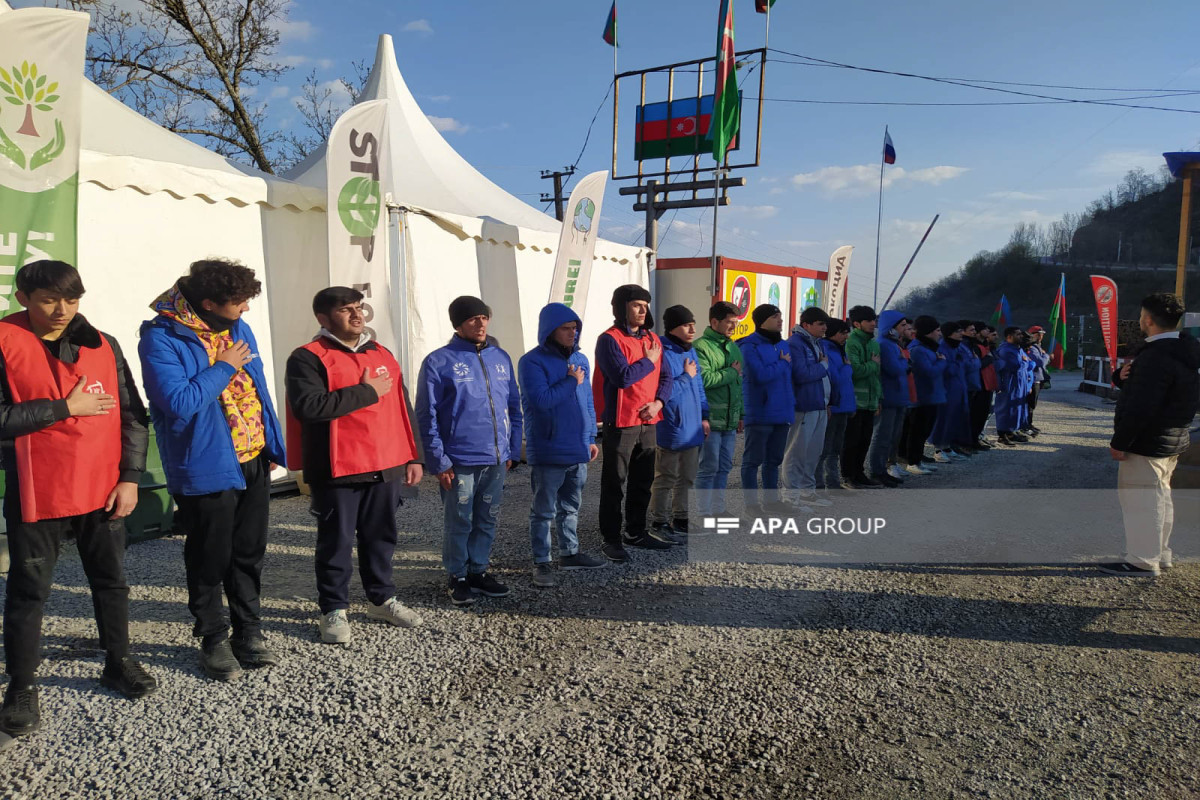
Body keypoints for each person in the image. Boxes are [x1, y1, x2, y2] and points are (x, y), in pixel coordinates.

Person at [0, 261, 157, 738]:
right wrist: (65, 407)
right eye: (49, 299)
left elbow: (132, 415)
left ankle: (118, 660)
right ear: (23, 296)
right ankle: (22, 685)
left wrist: (130, 477)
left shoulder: (103, 344)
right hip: (36, 490)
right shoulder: (3, 341)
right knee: (29, 592)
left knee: (111, 582)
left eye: (71, 299)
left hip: (101, 487)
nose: (62, 310)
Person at [140, 258, 286, 681]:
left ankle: (248, 631)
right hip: (205, 463)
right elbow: (178, 402)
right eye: (238, 302)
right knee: (209, 555)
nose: (245, 309)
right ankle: (213, 639)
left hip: (251, 456)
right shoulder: (161, 336)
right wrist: (223, 365)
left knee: (249, 551)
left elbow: (256, 389)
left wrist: (268, 442)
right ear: (208, 302)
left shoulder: (236, 326)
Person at [285, 287, 425, 643]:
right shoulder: (307, 357)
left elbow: (402, 406)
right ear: (323, 318)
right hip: (337, 468)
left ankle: (381, 598)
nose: (357, 314)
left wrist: (414, 454)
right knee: (336, 541)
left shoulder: (382, 353)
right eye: (346, 309)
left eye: (359, 307)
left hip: (386, 462)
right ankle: (334, 608)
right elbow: (310, 407)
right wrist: (367, 392)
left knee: (381, 538)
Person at [416, 296, 522, 606]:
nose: (481, 323)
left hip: (497, 458)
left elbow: (514, 406)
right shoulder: (439, 361)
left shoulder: (500, 357)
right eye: (473, 318)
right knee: (460, 519)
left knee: (487, 517)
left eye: (484, 317)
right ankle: (457, 575)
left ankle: (479, 570)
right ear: (458, 324)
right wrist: (438, 460)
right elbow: (427, 414)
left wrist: (512, 449)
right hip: (459, 460)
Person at [1101, 293, 1200, 577]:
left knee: (1142, 502)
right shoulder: (1185, 351)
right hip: (1172, 437)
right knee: (1160, 498)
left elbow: (1141, 406)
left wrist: (1120, 442)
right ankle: (1160, 552)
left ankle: (1142, 560)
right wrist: (1121, 377)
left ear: (1147, 319)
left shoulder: (1155, 357)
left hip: (1147, 441)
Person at [517, 303, 606, 588]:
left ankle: (570, 553)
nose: (573, 333)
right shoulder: (531, 362)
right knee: (543, 511)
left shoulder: (580, 359)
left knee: (571, 506)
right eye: (566, 328)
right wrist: (569, 381)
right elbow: (540, 402)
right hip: (549, 448)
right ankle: (541, 562)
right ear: (549, 331)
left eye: (575, 328)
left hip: (578, 447)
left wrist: (591, 437)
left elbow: (587, 402)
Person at [594, 284, 674, 560]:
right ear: (622, 307)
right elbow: (621, 377)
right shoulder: (609, 339)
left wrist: (658, 403)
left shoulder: (653, 339)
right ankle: (611, 538)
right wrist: (649, 361)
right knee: (614, 482)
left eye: (645, 305)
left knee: (643, 480)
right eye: (636, 305)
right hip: (621, 420)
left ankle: (636, 532)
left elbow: (667, 378)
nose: (643, 310)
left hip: (649, 419)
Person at [648, 305, 710, 540]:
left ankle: (682, 518)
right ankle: (659, 521)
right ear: (673, 327)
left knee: (688, 476)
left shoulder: (690, 351)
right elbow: (663, 392)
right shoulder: (662, 351)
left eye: (693, 323)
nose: (692, 329)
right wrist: (686, 377)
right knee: (665, 477)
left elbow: (699, 388)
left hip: (693, 426)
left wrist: (704, 416)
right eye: (686, 324)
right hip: (672, 426)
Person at [739, 304, 794, 515]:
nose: (780, 320)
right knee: (752, 461)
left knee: (774, 460)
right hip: (760, 411)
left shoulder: (782, 345)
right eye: (775, 317)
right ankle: (751, 505)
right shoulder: (749, 346)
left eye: (780, 316)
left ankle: (773, 501)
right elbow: (759, 375)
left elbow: (788, 377)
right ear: (762, 321)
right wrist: (781, 364)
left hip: (782, 411)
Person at [693, 302, 744, 517]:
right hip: (711, 420)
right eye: (730, 322)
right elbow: (704, 379)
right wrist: (731, 373)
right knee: (708, 468)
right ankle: (703, 513)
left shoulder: (733, 347)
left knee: (724, 467)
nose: (734, 327)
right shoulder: (701, 347)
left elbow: (739, 386)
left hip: (730, 421)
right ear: (715, 322)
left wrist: (741, 415)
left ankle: (719, 510)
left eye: (736, 323)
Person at [783, 307, 831, 507]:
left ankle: (807, 492)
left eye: (825, 324)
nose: (824, 328)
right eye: (820, 324)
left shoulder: (816, 343)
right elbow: (801, 374)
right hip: (804, 405)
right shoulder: (795, 344)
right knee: (796, 453)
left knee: (813, 452)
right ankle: (790, 496)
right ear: (806, 325)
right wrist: (822, 367)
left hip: (819, 405)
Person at [866, 310, 910, 487]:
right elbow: (895, 369)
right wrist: (904, 361)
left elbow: (902, 366)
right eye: (902, 325)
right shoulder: (884, 344)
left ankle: (883, 469)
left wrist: (903, 361)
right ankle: (876, 470)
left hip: (898, 396)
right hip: (888, 397)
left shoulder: (894, 345)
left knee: (893, 436)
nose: (905, 328)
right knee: (882, 436)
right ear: (891, 328)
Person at [841, 305, 882, 488]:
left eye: (874, 320)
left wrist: (878, 398)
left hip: (870, 402)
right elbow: (855, 371)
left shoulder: (873, 343)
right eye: (869, 320)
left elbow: (876, 375)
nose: (873, 323)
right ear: (856, 323)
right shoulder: (851, 343)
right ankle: (848, 475)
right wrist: (872, 364)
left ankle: (859, 473)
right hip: (856, 402)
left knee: (865, 440)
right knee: (851, 441)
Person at [903, 316, 947, 474]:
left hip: (931, 395)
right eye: (937, 330)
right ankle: (912, 461)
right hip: (922, 397)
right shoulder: (918, 350)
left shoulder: (929, 348)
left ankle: (918, 459)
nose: (940, 334)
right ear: (928, 332)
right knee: (917, 430)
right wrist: (941, 362)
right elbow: (929, 372)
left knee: (924, 430)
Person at [818, 320, 855, 490]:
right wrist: (848, 368)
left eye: (847, 332)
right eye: (842, 332)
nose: (846, 336)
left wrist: (851, 406)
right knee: (825, 448)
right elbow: (836, 378)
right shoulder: (827, 349)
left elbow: (846, 383)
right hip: (833, 406)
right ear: (832, 333)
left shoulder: (840, 350)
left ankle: (833, 482)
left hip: (843, 406)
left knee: (836, 448)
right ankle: (818, 483)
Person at [993, 327, 1031, 446]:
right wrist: (1025, 362)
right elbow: (1017, 365)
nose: (1021, 336)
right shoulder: (1006, 350)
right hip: (1010, 382)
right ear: (1009, 336)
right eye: (1018, 334)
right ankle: (1002, 434)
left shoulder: (1017, 349)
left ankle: (1011, 431)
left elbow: (1029, 364)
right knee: (1006, 407)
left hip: (1019, 382)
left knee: (1016, 407)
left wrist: (1025, 362)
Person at [970, 323, 999, 448]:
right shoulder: (975, 347)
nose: (988, 331)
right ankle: (972, 440)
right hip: (981, 383)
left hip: (988, 383)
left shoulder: (986, 346)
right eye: (985, 329)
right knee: (977, 414)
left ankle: (977, 438)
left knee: (984, 413)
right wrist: (988, 358)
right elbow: (978, 364)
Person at [1024, 325, 1050, 435]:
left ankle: (1029, 423)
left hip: (1038, 379)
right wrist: (1047, 356)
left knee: (1032, 404)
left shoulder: (1038, 347)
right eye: (1038, 334)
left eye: (1042, 334)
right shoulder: (1032, 348)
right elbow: (1040, 362)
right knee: (1029, 404)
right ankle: (1026, 424)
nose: (1041, 336)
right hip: (1033, 379)